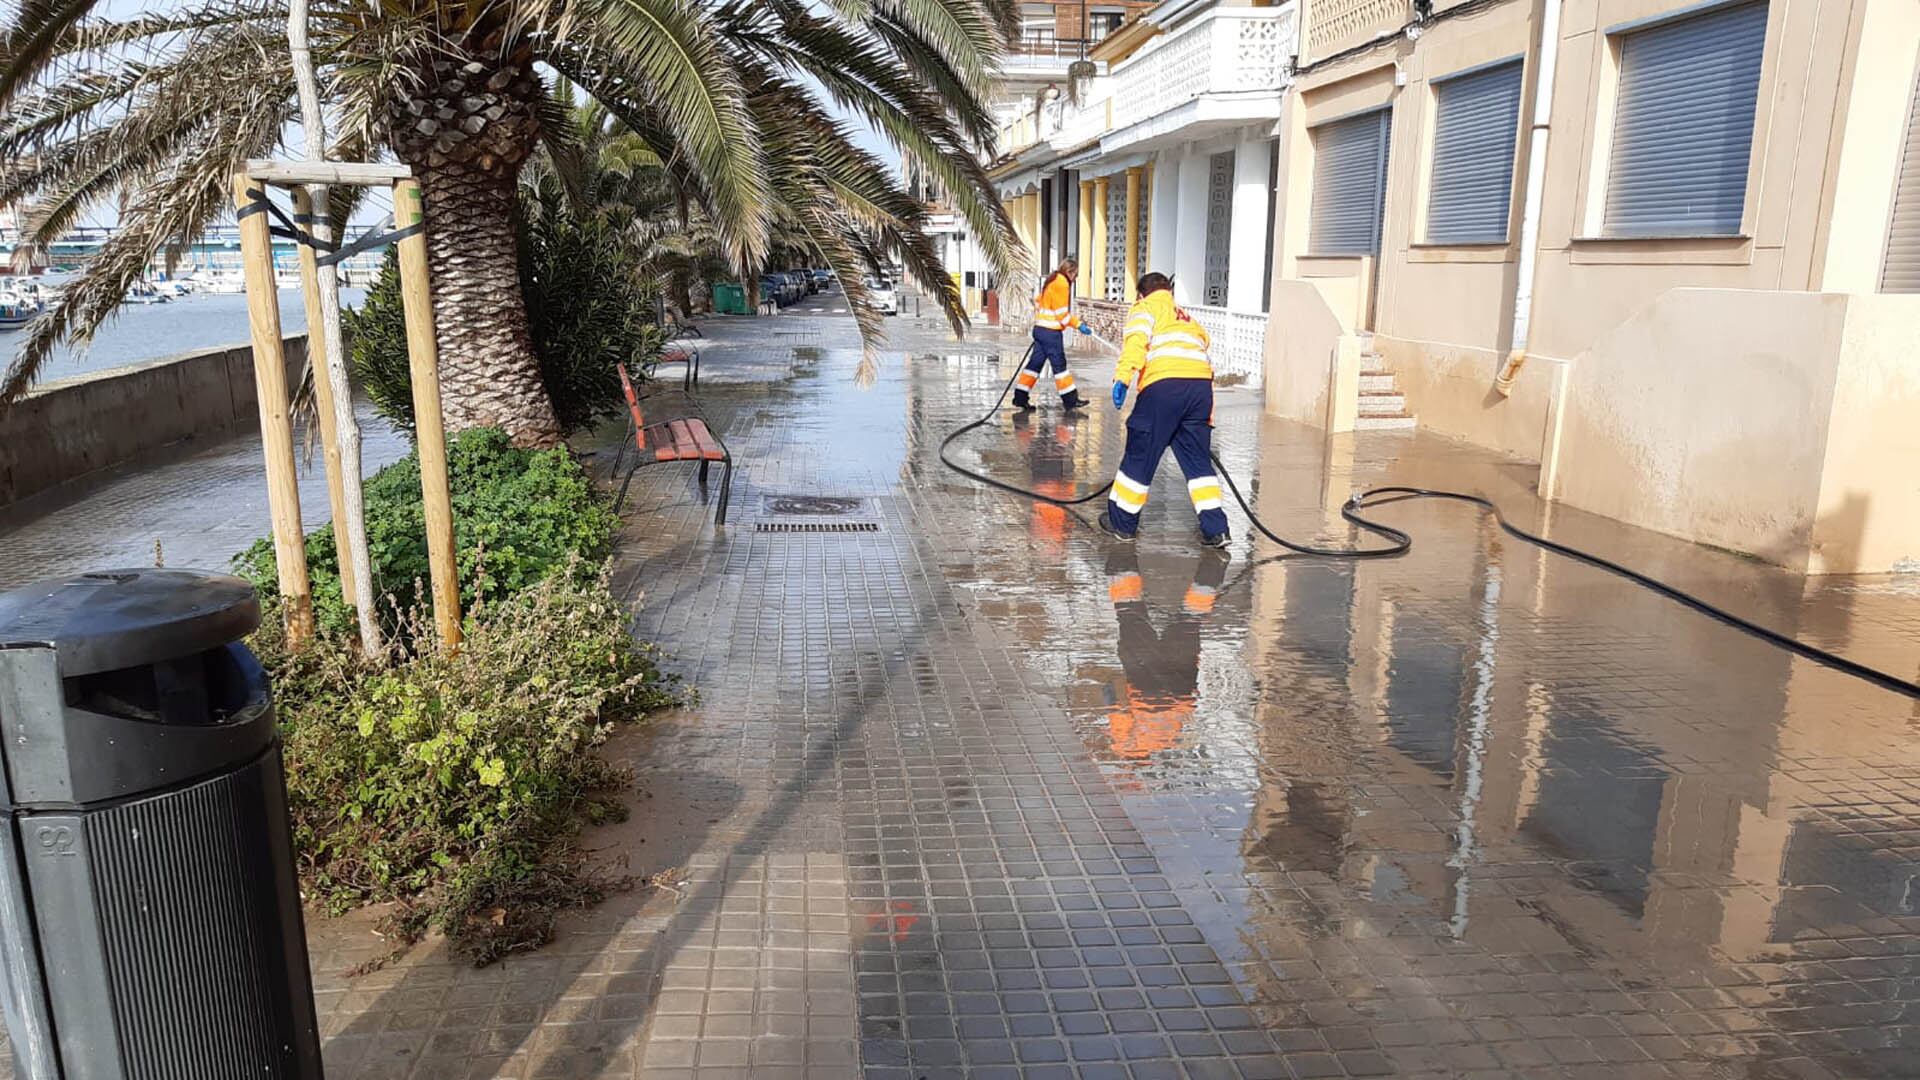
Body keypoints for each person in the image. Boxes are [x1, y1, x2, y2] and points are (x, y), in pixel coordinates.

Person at [1100, 272, 1230, 549]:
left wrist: (1123, 376)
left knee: (1140, 454)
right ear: (1169, 290)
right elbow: (1204, 342)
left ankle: (1122, 524)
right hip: (1200, 390)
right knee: (1198, 463)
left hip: (1163, 387)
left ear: (1140, 294)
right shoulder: (1185, 316)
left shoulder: (1144, 308)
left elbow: (1136, 343)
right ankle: (1216, 529)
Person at [1099, 548, 1229, 761]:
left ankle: (1213, 570)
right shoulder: (1125, 748)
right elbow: (1115, 708)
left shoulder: (1168, 739)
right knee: (1130, 616)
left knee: (1190, 620)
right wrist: (1109, 690)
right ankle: (1122, 560)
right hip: (1143, 679)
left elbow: (1185, 711)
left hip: (1181, 681)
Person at [1016, 257, 1093, 411]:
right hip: (1051, 333)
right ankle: (1070, 400)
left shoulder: (1052, 279)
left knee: (1034, 365)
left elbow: (1037, 301)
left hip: (1040, 330)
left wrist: (1043, 319)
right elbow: (1062, 315)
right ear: (1069, 272)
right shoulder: (1062, 283)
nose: (1075, 279)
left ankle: (1020, 397)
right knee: (1060, 366)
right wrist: (1079, 325)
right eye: (1075, 275)